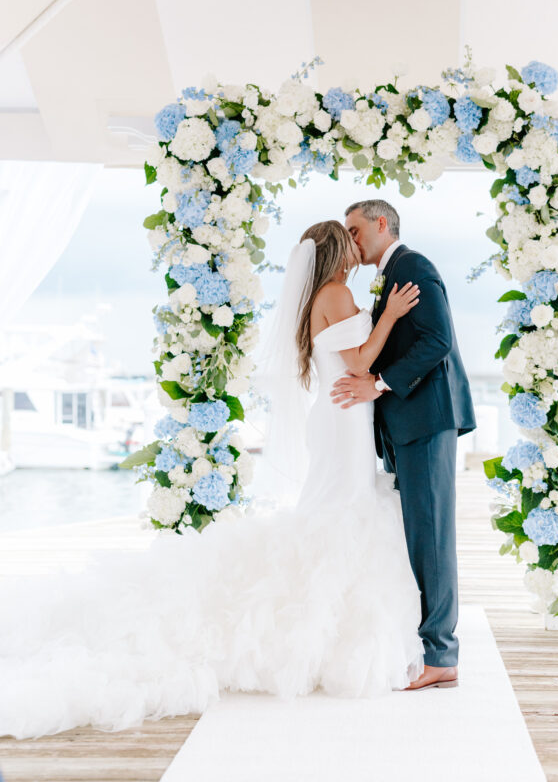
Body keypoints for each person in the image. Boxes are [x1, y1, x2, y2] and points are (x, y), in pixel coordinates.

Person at [0, 219, 438, 740]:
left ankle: (325, 624)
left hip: (341, 415)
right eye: (349, 239)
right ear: (337, 251)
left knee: (333, 511)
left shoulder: (322, 295)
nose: (355, 245)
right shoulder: (336, 292)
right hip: (345, 418)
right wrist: (389, 316)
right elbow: (360, 362)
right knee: (341, 512)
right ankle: (324, 627)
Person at [331, 199, 477, 691]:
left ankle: (441, 655)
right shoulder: (390, 274)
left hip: (426, 421)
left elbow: (437, 341)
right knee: (417, 534)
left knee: (431, 537)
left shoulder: (413, 266)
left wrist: (378, 384)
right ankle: (426, 644)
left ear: (381, 223)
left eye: (355, 230)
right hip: (407, 423)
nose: (351, 241)